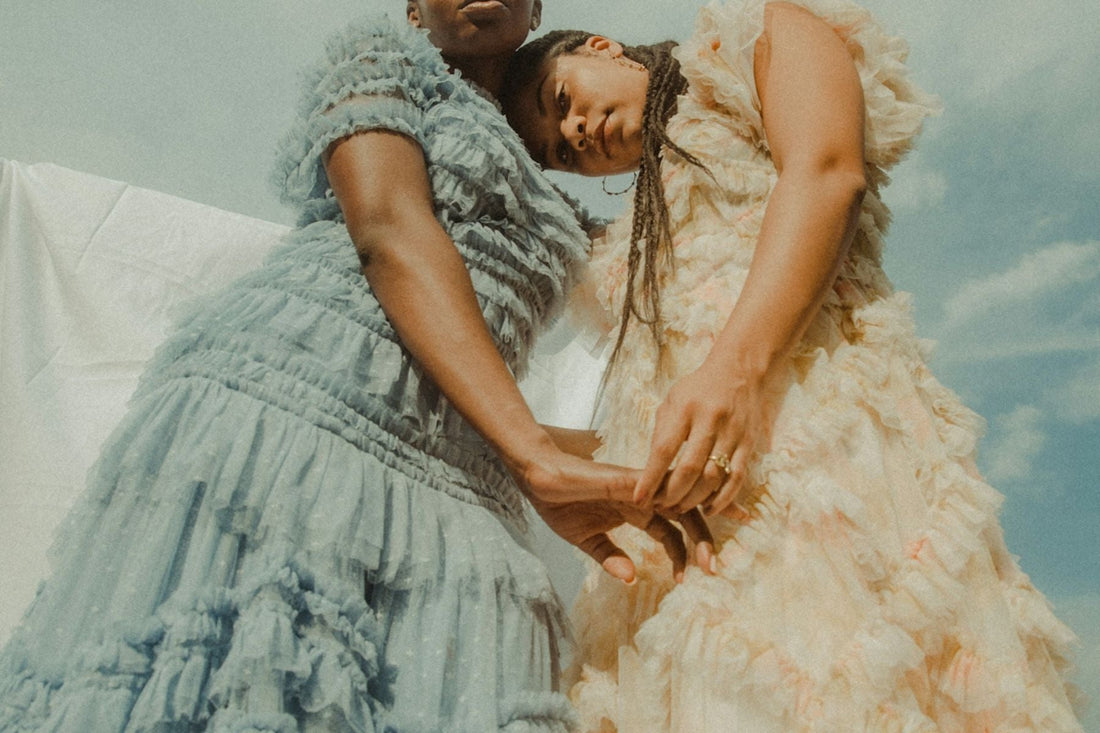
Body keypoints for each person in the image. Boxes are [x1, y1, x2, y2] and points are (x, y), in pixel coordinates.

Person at [0, 1, 709, 730]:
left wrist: (672, 466)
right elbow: (389, 230)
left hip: (458, 465)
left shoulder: (551, 185)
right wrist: (533, 454)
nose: (573, 132)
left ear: (534, 9)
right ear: (412, 9)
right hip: (297, 404)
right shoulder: (383, 59)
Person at [503, 0, 1084, 730]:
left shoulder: (751, 42)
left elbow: (827, 173)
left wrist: (729, 376)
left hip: (832, 460)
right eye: (561, 150)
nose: (577, 133)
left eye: (562, 102)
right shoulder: (626, 248)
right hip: (694, 531)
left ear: (604, 47)